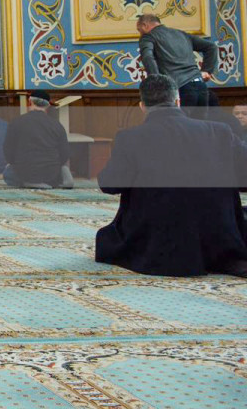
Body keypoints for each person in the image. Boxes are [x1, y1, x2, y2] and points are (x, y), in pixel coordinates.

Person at [96, 75, 247, 277]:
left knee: (106, 239)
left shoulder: (130, 138)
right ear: (178, 101)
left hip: (159, 239)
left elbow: (110, 184)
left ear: (142, 106)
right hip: (219, 233)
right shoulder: (219, 131)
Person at [136, 13, 218, 108]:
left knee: (178, 122)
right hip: (200, 86)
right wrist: (207, 70)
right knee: (200, 123)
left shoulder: (148, 37)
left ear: (144, 25)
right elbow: (211, 47)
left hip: (179, 89)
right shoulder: (181, 34)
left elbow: (148, 57)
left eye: (139, 30)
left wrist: (157, 82)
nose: (140, 33)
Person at [3, 90, 73, 188]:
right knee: (61, 168)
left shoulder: (16, 122)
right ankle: (55, 181)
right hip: (51, 174)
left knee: (8, 172)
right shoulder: (57, 125)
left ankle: (27, 183)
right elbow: (65, 154)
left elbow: (8, 152)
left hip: (24, 172)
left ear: (29, 102)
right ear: (48, 106)